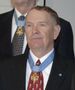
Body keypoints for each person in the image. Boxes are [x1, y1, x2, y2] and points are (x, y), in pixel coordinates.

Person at [0, 6, 74, 90]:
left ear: (55, 31)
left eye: (42, 25)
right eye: (29, 25)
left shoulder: (71, 72)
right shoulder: (4, 69)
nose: (35, 31)